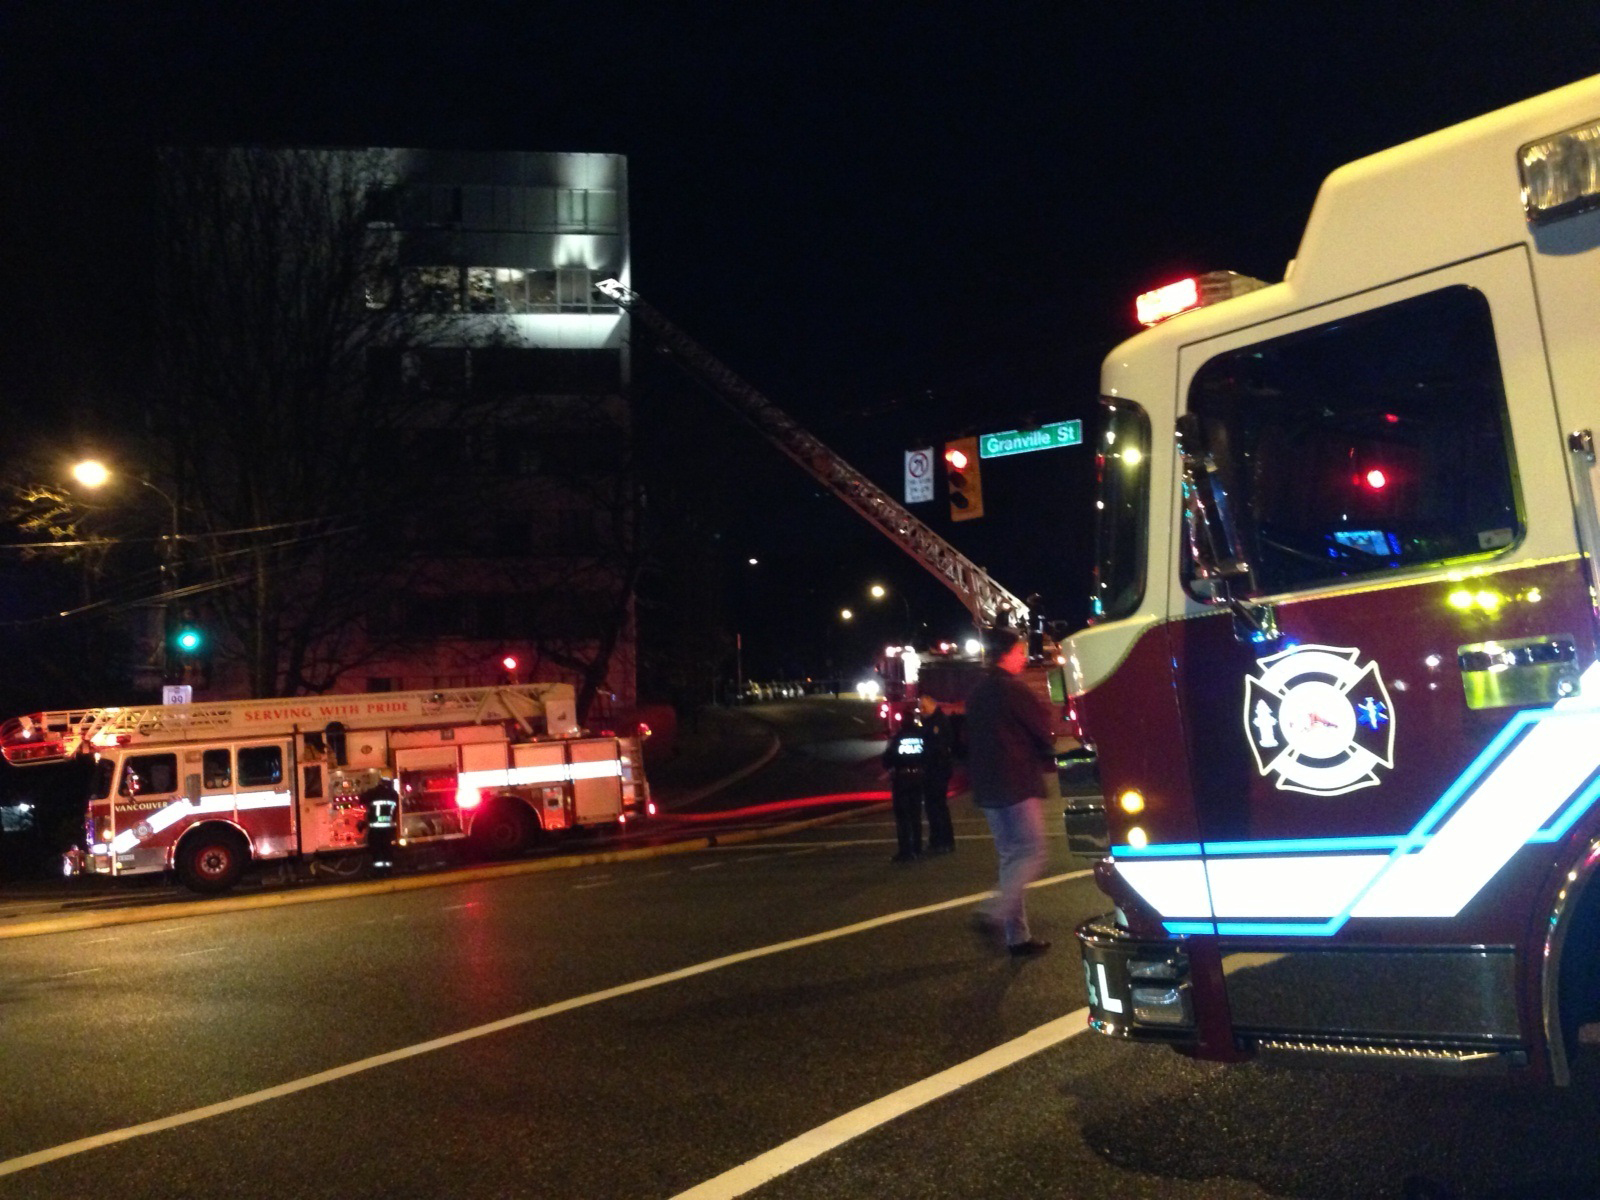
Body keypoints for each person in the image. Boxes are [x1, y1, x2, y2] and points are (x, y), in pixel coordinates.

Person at [964, 626, 1056, 957]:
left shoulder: (977, 692)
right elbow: (1043, 730)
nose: (1022, 657)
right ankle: (993, 913)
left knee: (1010, 857)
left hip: (987, 786)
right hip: (1016, 782)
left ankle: (1016, 936)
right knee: (1033, 852)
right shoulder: (1013, 690)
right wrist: (1049, 750)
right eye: (1019, 651)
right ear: (1007, 653)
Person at [882, 707, 928, 862]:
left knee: (903, 817)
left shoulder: (898, 738)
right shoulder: (921, 737)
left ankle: (905, 851)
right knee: (916, 815)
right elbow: (928, 755)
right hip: (918, 777)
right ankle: (917, 848)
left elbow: (888, 760)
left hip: (902, 779)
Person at [917, 695, 956, 854]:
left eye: (923, 707)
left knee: (937, 806)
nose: (921, 710)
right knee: (935, 807)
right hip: (934, 769)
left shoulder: (937, 723)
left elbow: (936, 747)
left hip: (936, 770)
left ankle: (942, 841)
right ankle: (940, 840)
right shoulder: (933, 721)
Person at [362, 775, 400, 873]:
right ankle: (388, 871)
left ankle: (378, 872)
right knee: (387, 850)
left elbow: (361, 799)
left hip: (375, 830)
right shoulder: (394, 795)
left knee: (377, 851)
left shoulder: (373, 793)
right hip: (388, 830)